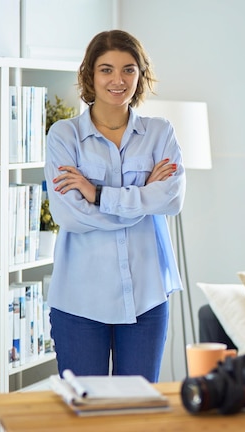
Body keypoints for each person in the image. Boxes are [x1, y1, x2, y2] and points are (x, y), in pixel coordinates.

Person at [43, 30, 185, 381]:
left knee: (136, 412)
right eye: (106, 69)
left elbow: (172, 200)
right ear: (90, 75)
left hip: (146, 298)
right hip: (79, 301)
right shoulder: (64, 136)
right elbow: (69, 216)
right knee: (86, 413)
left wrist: (99, 195)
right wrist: (141, 199)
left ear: (141, 74)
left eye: (129, 70)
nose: (118, 80)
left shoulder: (160, 132)